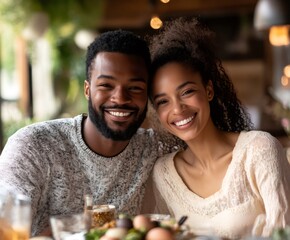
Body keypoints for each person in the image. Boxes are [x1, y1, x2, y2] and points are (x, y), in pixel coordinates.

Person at [0, 29, 183, 237]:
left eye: (135, 88)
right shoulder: (34, 146)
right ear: (87, 89)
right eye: (106, 85)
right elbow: (5, 227)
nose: (120, 98)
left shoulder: (157, 147)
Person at [145, 17, 290, 239]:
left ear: (209, 90)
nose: (178, 109)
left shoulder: (259, 150)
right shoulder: (164, 174)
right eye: (163, 101)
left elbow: (284, 232)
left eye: (187, 92)